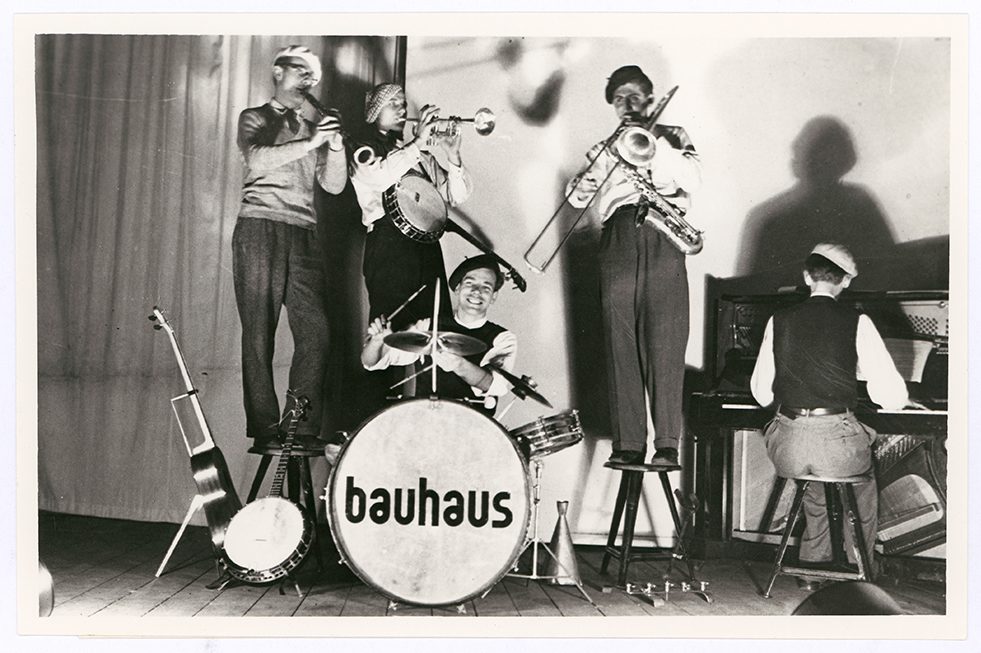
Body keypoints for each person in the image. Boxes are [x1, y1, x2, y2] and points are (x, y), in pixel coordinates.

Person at [750, 243, 911, 590]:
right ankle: (861, 568)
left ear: (807, 276)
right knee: (863, 486)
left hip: (787, 447)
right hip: (835, 443)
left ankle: (812, 568)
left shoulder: (779, 319)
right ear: (846, 282)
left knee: (814, 484)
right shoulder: (858, 321)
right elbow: (892, 396)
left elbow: (761, 393)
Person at [566, 65, 701, 466]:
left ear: (649, 99)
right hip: (619, 234)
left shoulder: (673, 135)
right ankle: (629, 443)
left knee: (667, 337)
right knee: (619, 338)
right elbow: (575, 199)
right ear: (612, 103)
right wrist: (586, 182)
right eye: (620, 98)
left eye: (635, 96)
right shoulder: (603, 147)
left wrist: (655, 144)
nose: (627, 104)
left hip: (665, 232)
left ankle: (667, 444)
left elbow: (691, 178)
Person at [232, 45, 347, 449]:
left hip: (304, 233)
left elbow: (333, 185)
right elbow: (257, 161)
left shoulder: (311, 128)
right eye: (301, 73)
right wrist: (312, 139)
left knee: (317, 331)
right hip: (259, 226)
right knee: (258, 332)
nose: (308, 83)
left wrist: (334, 147)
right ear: (278, 73)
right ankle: (265, 428)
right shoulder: (255, 117)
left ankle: (300, 426)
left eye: (313, 78)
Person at [350, 83, 473, 331]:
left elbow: (456, 195)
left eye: (403, 104)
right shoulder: (362, 147)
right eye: (392, 103)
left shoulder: (420, 156)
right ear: (375, 112)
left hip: (427, 246)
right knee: (390, 331)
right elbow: (380, 177)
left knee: (437, 329)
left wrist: (453, 156)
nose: (402, 109)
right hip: (389, 247)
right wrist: (418, 142)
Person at [361, 254, 516, 417]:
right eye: (470, 283)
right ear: (458, 288)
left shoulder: (503, 338)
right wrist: (377, 342)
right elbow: (371, 362)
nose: (476, 292)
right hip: (426, 423)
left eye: (486, 287)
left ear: (494, 296)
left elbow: (495, 386)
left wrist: (459, 365)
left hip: (472, 427)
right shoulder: (428, 326)